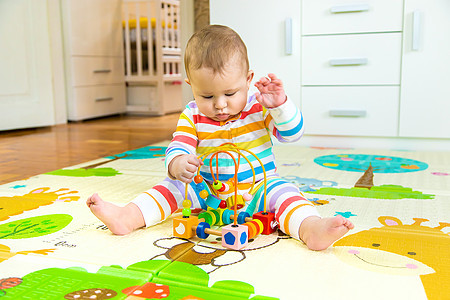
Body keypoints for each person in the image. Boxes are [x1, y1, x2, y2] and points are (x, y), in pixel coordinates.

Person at [87, 25, 354, 251]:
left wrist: (280, 105)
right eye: (207, 96)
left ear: (248, 80)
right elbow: (177, 146)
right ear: (191, 85)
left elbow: (292, 134)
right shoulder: (192, 114)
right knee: (172, 186)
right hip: (207, 191)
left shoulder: (258, 107)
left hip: (258, 188)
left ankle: (310, 228)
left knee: (286, 192)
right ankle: (128, 216)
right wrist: (178, 164)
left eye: (230, 93)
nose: (220, 105)